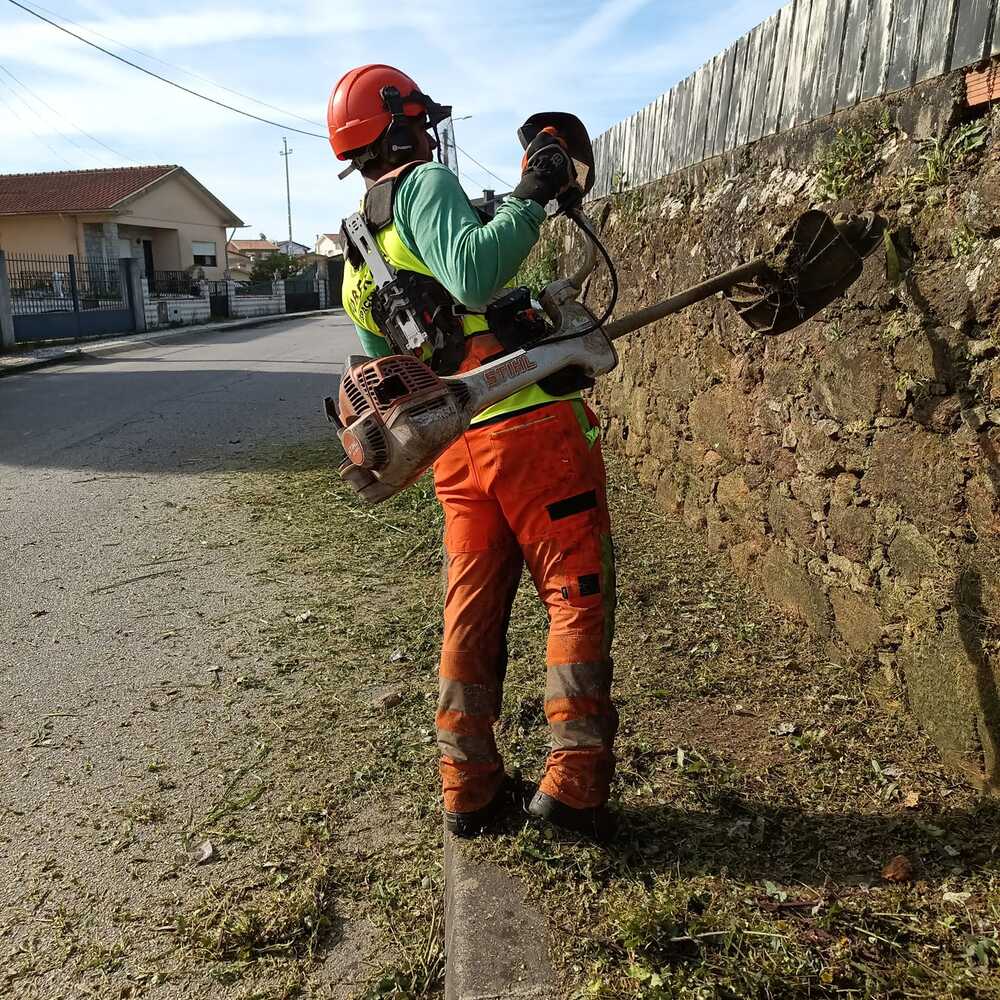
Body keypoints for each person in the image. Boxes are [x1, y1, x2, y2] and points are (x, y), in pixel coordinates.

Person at [328, 64, 618, 840]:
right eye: (419, 120)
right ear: (401, 124)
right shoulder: (424, 185)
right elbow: (473, 273)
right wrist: (533, 192)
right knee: (576, 593)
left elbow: (389, 374)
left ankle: (469, 786)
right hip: (530, 429)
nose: (428, 134)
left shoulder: (358, 249)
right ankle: (575, 785)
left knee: (470, 612)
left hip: (457, 450)